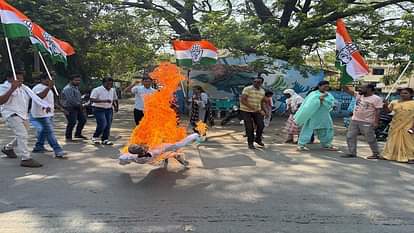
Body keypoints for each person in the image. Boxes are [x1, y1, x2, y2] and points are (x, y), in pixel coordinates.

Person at [0, 71, 51, 167]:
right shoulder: (3, 87)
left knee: (23, 134)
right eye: (18, 79)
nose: (21, 81)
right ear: (9, 79)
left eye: (22, 79)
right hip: (11, 114)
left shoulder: (24, 87)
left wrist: (44, 105)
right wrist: (12, 89)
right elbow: (1, 101)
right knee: (22, 135)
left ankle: (8, 148)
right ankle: (26, 158)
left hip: (23, 115)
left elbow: (35, 97)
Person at [342, 84, 382, 159]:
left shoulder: (376, 98)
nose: (360, 89)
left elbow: (378, 111)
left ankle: (376, 153)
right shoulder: (359, 95)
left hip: (367, 122)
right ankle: (352, 153)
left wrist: (376, 122)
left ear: (369, 89)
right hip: (355, 120)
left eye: (362, 88)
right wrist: (344, 82)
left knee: (370, 138)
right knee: (350, 136)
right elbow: (347, 90)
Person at [30, 73, 65, 158]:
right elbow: (40, 97)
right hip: (40, 115)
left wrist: (60, 108)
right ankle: (57, 149)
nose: (51, 81)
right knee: (49, 132)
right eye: (49, 79)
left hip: (48, 114)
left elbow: (49, 101)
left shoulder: (49, 89)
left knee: (44, 132)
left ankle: (39, 146)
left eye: (52, 79)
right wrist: (49, 87)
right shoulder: (37, 88)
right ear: (42, 79)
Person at [295, 81, 337, 151]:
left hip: (324, 115)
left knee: (326, 129)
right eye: (324, 86)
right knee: (307, 130)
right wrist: (320, 99)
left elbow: (331, 104)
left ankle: (327, 144)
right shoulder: (313, 94)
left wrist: (324, 100)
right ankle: (301, 145)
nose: (326, 88)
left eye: (327, 86)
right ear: (319, 86)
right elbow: (309, 104)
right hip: (313, 115)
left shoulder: (329, 95)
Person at [382, 88, 414, 163]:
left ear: (411, 94)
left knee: (409, 142)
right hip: (395, 125)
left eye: (406, 93)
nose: (403, 94)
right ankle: (389, 155)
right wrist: (385, 105)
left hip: (408, 125)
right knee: (392, 140)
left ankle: (411, 157)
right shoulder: (394, 102)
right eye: (402, 93)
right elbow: (387, 111)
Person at [240, 76, 267, 149]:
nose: (256, 83)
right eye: (254, 81)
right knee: (249, 127)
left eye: (258, 82)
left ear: (261, 83)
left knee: (261, 125)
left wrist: (264, 110)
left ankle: (258, 139)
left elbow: (261, 102)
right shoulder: (247, 89)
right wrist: (253, 108)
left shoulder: (262, 91)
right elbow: (243, 100)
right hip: (246, 111)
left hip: (257, 111)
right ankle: (250, 143)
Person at [90, 77, 119, 145]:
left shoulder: (113, 90)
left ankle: (105, 139)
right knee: (103, 123)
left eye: (111, 84)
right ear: (103, 83)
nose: (110, 85)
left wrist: (116, 107)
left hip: (109, 109)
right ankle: (95, 137)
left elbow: (115, 99)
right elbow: (92, 99)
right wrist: (104, 101)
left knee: (108, 125)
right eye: (108, 84)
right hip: (98, 109)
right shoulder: (97, 90)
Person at [61, 74, 87, 141]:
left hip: (77, 107)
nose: (78, 82)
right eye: (76, 80)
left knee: (83, 120)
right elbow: (71, 100)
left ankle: (78, 134)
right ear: (71, 81)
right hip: (70, 107)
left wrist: (81, 103)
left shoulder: (75, 87)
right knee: (72, 122)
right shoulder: (68, 88)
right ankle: (68, 137)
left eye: (79, 80)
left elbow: (77, 98)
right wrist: (80, 105)